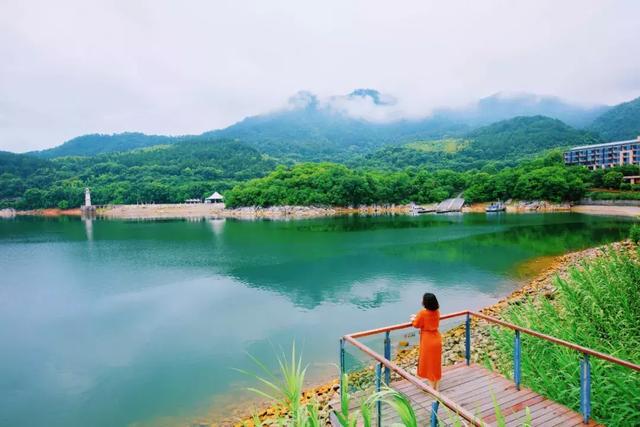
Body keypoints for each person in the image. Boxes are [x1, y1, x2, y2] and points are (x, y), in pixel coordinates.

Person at [410, 292, 442, 390]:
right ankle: (437, 386)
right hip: (437, 338)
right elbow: (428, 319)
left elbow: (416, 324)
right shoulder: (437, 311)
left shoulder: (423, 313)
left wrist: (413, 319)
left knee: (429, 365)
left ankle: (433, 390)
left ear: (425, 302)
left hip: (428, 340)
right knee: (435, 364)